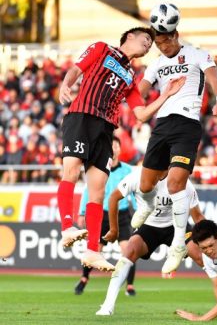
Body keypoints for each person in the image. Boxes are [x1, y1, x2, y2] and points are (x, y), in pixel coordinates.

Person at [57, 26, 186, 271]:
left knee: (97, 190)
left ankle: (93, 251)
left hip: (106, 130)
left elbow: (141, 114)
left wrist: (167, 94)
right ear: (129, 36)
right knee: (71, 172)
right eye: (146, 39)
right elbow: (76, 69)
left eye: (151, 43)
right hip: (82, 116)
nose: (149, 44)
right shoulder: (101, 48)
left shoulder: (130, 76)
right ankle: (67, 227)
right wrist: (67, 84)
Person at [132, 13, 217, 275]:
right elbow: (138, 92)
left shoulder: (197, 54)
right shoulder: (156, 64)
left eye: (164, 41)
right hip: (161, 125)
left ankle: (177, 244)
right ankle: (146, 205)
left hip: (186, 124)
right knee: (145, 185)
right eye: (158, 43)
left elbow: (213, 77)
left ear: (175, 35)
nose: (162, 47)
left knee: (175, 183)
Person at [95, 167, 204, 316]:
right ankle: (107, 306)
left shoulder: (182, 181)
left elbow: (197, 216)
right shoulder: (137, 176)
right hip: (148, 225)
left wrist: (212, 237)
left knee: (201, 256)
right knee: (129, 251)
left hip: (176, 226)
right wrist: (114, 230)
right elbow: (113, 197)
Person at [74, 136, 137, 295]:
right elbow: (89, 190)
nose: (114, 149)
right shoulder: (99, 168)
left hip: (121, 214)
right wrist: (82, 212)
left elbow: (136, 192)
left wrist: (138, 211)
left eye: (116, 146)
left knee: (128, 249)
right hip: (102, 215)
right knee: (94, 248)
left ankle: (129, 285)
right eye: (111, 146)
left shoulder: (128, 170)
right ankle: (84, 278)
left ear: (120, 149)